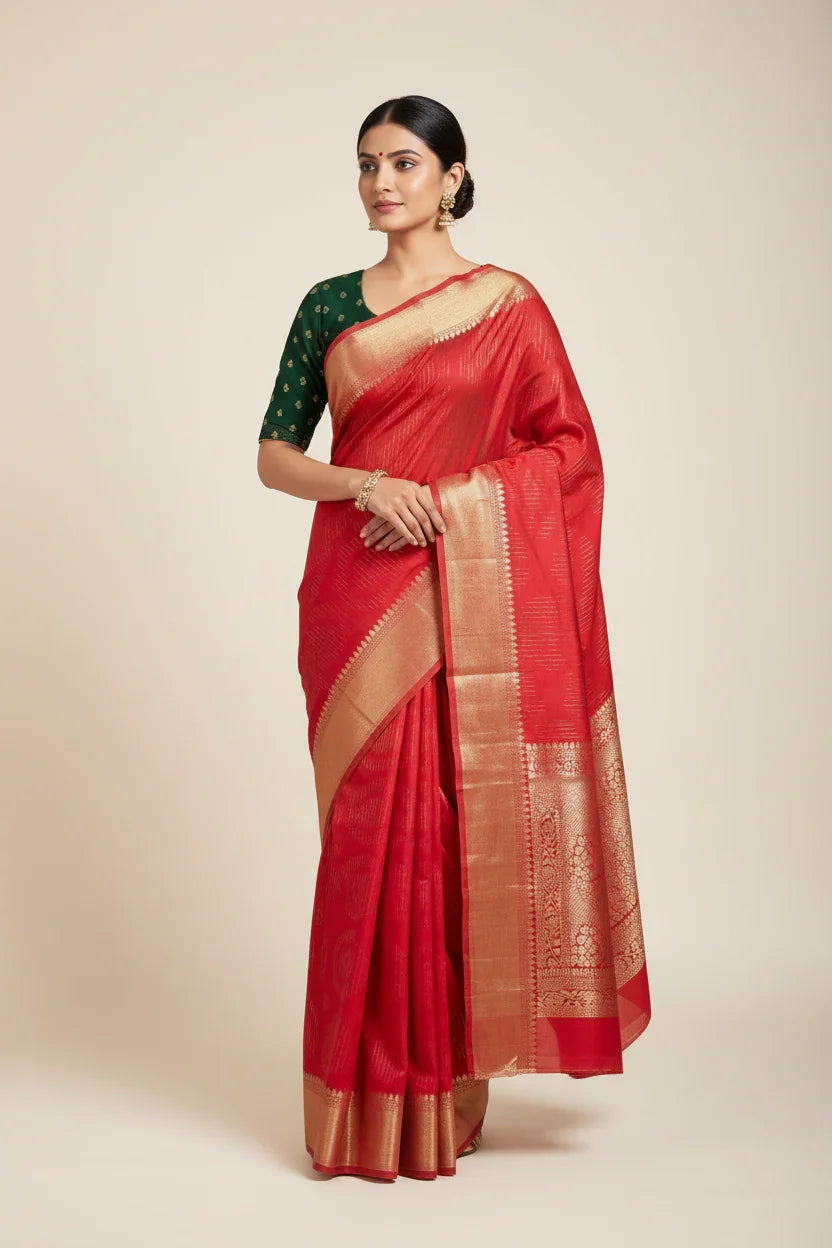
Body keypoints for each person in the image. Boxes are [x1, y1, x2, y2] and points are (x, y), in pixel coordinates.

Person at [256, 94, 651, 1183]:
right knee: (368, 841)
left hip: (465, 590)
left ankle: (444, 1085)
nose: (383, 182)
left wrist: (458, 500)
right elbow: (273, 455)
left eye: (406, 163)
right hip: (354, 592)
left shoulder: (507, 306)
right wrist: (366, 480)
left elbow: (567, 451)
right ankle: (362, 1097)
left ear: (454, 178)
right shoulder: (328, 305)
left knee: (450, 828)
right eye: (367, 165)